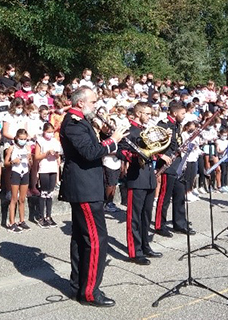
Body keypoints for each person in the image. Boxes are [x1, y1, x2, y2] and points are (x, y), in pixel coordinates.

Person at [59, 86, 126, 307]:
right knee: (97, 240)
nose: (96, 106)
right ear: (81, 103)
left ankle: (78, 286)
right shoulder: (73, 122)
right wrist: (113, 140)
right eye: (93, 102)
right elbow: (90, 152)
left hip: (87, 186)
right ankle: (90, 292)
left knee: (81, 239)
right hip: (84, 187)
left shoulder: (82, 121)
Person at [118, 102, 162, 265]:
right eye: (147, 114)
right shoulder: (129, 131)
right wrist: (135, 156)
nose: (150, 117)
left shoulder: (147, 131)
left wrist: (159, 156)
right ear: (138, 113)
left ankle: (145, 246)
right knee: (134, 217)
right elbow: (121, 151)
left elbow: (155, 151)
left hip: (150, 176)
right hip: (136, 178)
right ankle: (134, 251)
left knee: (146, 215)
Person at [154, 102, 193, 236]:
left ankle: (180, 223)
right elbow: (154, 143)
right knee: (164, 197)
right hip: (167, 166)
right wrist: (161, 155)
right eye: (182, 113)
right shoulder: (163, 124)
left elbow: (176, 143)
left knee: (179, 195)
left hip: (177, 165)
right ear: (175, 113)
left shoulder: (177, 126)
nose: (184, 116)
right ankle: (159, 225)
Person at [34, 122, 62, 228]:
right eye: (48, 132)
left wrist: (56, 154)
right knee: (44, 192)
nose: (50, 134)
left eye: (52, 132)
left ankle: (48, 216)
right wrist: (46, 154)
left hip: (53, 168)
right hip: (44, 168)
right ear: (44, 132)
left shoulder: (55, 141)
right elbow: (36, 156)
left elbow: (59, 154)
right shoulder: (40, 141)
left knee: (50, 192)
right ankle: (41, 216)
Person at [4, 128, 32, 232]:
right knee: (14, 198)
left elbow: (31, 164)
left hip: (25, 172)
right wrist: (13, 161)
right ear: (16, 138)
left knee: (23, 199)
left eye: (25, 139)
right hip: (15, 173)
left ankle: (22, 220)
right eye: (21, 138)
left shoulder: (27, 148)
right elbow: (5, 163)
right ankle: (11, 222)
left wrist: (29, 159)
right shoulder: (12, 148)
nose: (23, 141)